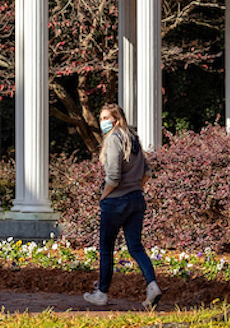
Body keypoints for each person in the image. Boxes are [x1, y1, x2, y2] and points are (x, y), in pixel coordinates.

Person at [82, 103, 162, 310]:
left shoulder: (113, 140)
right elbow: (146, 172)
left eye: (106, 118)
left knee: (106, 249)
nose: (103, 123)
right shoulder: (133, 138)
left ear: (116, 120)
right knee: (135, 247)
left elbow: (114, 177)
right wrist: (136, 188)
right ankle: (152, 285)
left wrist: (103, 196)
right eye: (101, 118)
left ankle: (102, 293)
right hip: (136, 199)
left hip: (116, 202)